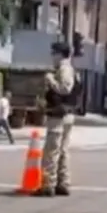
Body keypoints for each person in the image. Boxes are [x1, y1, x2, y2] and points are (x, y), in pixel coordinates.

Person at [39, 42, 79, 197]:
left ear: (59, 54)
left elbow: (65, 89)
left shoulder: (64, 69)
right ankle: (63, 183)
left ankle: (48, 184)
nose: (51, 57)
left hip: (58, 115)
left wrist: (50, 80)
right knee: (63, 150)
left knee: (51, 150)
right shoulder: (70, 69)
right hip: (67, 114)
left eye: (53, 53)